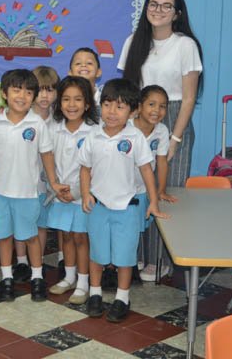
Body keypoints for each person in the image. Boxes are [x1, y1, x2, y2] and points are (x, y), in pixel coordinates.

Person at [119, 0, 203, 279]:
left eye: (167, 6)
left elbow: (189, 98)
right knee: (137, 188)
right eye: (153, 4)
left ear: (177, 13)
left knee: (165, 190)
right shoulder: (133, 42)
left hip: (174, 118)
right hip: (139, 120)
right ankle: (135, 255)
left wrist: (175, 139)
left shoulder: (185, 45)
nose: (158, 10)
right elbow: (129, 91)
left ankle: (161, 258)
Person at [78, 78, 169, 323]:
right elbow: (85, 168)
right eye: (107, 105)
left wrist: (153, 201)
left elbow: (147, 170)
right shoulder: (93, 135)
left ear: (132, 111)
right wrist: (85, 193)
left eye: (120, 107)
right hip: (98, 206)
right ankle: (95, 293)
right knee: (97, 254)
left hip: (127, 207)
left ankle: (122, 297)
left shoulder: (135, 137)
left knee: (125, 256)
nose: (112, 112)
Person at [0, 69, 66, 302]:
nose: (22, 96)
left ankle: (37, 278)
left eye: (28, 92)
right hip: (0, 192)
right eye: (16, 90)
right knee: (4, 237)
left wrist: (54, 182)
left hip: (28, 193)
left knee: (31, 237)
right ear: (4, 93)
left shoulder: (37, 124)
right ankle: (6, 278)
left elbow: (46, 155)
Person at [47, 76, 99, 305]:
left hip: (82, 196)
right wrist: (56, 187)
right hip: (60, 194)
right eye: (66, 99)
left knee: (80, 238)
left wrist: (78, 192)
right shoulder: (54, 128)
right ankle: (69, 277)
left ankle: (83, 283)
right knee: (66, 236)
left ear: (87, 104)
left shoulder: (94, 131)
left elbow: (96, 167)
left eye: (78, 99)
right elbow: (48, 159)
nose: (71, 104)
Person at [11, 66, 59, 284]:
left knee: (40, 224)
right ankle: (22, 261)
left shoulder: (58, 121)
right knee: (21, 223)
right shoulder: (22, 118)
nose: (44, 96)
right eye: (39, 90)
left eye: (50, 90)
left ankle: (37, 262)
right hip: (22, 181)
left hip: (45, 184)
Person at [132, 85, 178, 281]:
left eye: (162, 106)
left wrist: (161, 190)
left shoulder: (162, 131)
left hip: (144, 188)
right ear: (139, 106)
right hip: (123, 189)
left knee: (143, 222)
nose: (156, 110)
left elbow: (162, 162)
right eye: (151, 104)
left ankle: (140, 261)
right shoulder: (127, 127)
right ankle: (127, 261)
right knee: (127, 228)